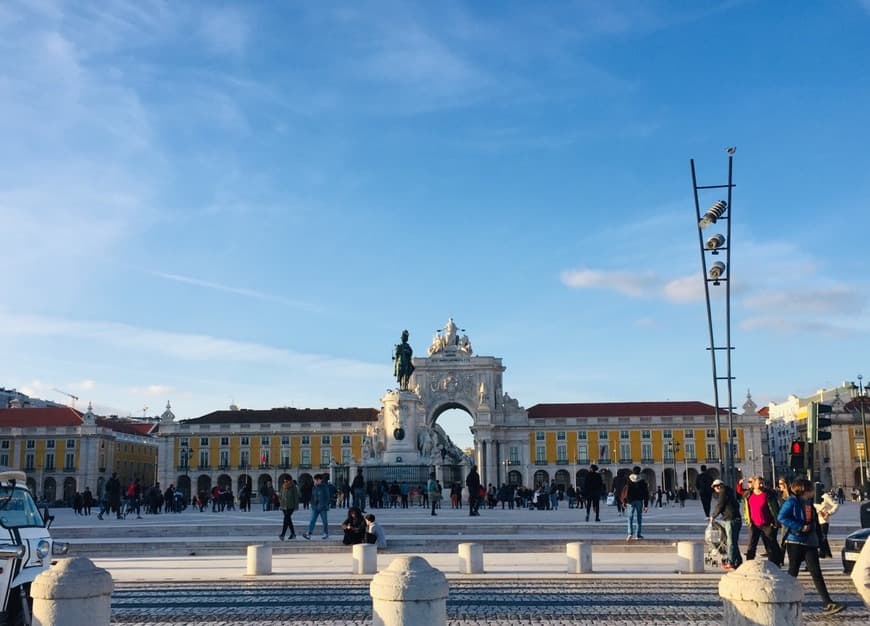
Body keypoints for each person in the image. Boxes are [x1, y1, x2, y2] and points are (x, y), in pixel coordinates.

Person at [778, 478, 845, 616]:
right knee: (793, 571)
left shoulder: (809, 503)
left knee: (816, 572)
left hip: (809, 542)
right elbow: (782, 517)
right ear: (804, 490)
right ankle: (783, 601)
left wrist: (820, 539)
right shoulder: (792, 501)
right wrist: (800, 526)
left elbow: (813, 521)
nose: (813, 492)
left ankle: (828, 603)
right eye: (811, 489)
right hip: (795, 541)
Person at [742, 476, 783, 566]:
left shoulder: (768, 495)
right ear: (753, 484)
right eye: (758, 483)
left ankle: (775, 564)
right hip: (754, 524)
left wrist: (776, 522)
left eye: (762, 483)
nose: (760, 485)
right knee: (751, 545)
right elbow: (745, 509)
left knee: (770, 545)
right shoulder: (748, 495)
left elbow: (775, 509)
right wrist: (747, 520)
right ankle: (748, 564)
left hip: (767, 524)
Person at [710, 478, 742, 569]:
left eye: (715, 488)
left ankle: (731, 562)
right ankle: (738, 561)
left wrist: (713, 515)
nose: (715, 490)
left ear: (718, 486)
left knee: (730, 542)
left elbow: (720, 505)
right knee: (733, 541)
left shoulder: (723, 492)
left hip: (731, 519)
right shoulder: (729, 491)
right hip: (734, 518)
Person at [623, 466, 649, 542]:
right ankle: (638, 535)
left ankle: (630, 533)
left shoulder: (628, 480)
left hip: (629, 501)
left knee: (629, 518)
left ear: (632, 471)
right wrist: (646, 505)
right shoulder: (642, 481)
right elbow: (646, 493)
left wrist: (624, 501)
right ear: (639, 472)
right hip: (639, 501)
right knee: (639, 518)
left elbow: (625, 491)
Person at [303, 474, 331, 540]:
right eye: (315, 480)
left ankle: (325, 533)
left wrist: (325, 504)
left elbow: (327, 497)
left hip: (323, 507)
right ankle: (309, 533)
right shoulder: (314, 487)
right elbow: (312, 496)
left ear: (320, 480)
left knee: (324, 521)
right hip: (315, 507)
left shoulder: (324, 487)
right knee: (312, 520)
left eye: (317, 480)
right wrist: (312, 504)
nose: (316, 481)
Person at [814, 490, 839, 559]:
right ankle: (823, 552)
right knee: (818, 537)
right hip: (815, 520)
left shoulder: (825, 496)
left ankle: (827, 553)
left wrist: (829, 512)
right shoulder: (812, 497)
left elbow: (836, 505)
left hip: (823, 520)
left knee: (823, 537)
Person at [278, 477, 300, 541]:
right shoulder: (283, 487)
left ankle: (283, 534)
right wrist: (280, 503)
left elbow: (296, 497)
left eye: (287, 481)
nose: (286, 482)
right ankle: (293, 534)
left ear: (290, 481)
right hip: (284, 506)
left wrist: (296, 506)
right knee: (288, 520)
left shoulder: (293, 487)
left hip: (291, 506)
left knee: (286, 520)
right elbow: (281, 495)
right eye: (285, 481)